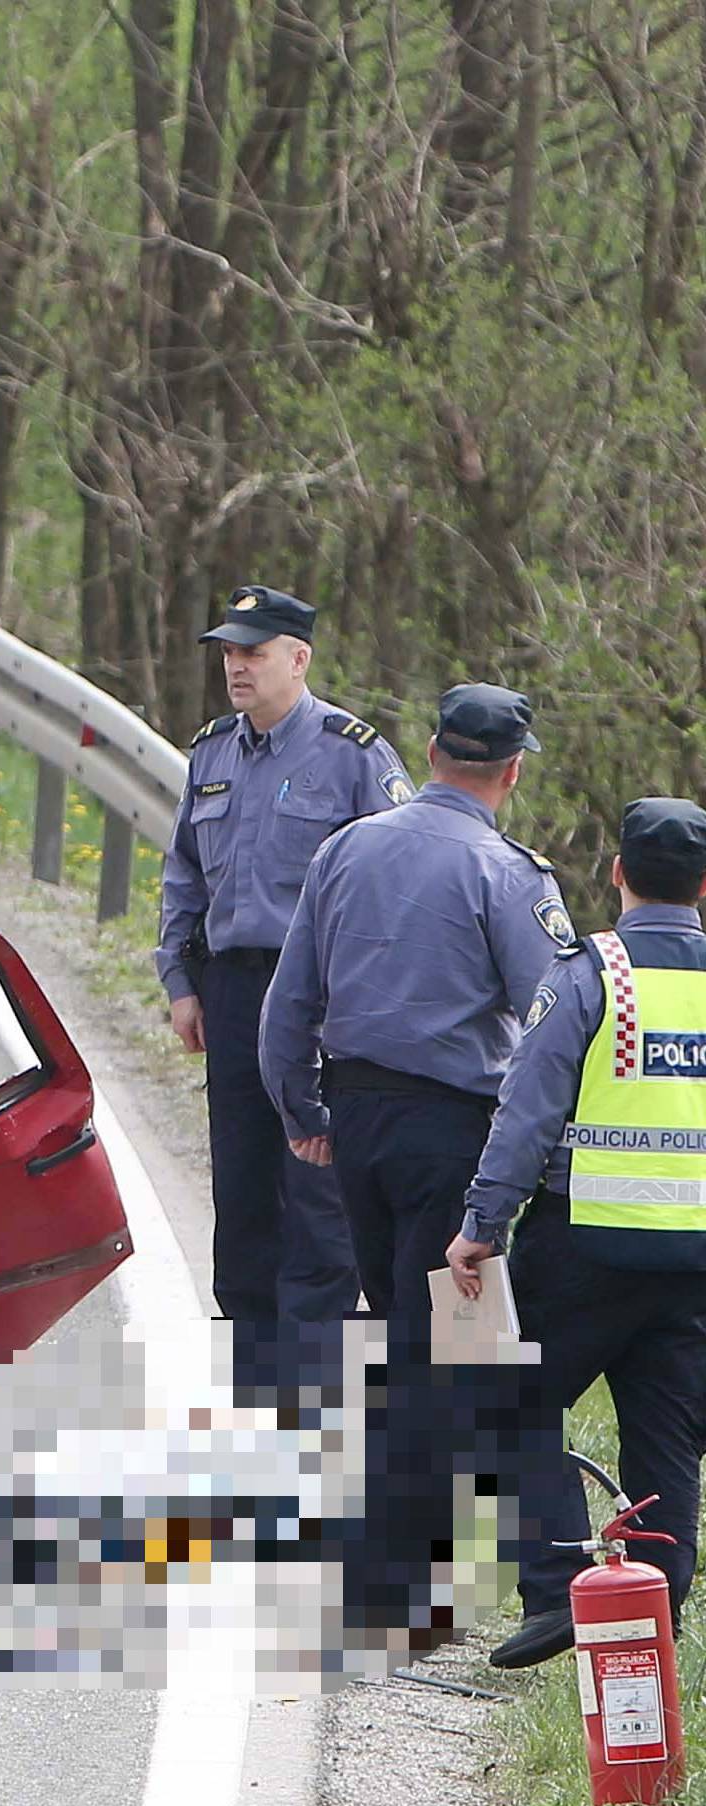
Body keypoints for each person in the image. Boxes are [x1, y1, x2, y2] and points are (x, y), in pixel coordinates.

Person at [448, 798, 706, 1670]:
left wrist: (483, 1222)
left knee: (509, 1396)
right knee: (665, 1437)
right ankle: (652, 1623)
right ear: (705, 886)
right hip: (693, 1260)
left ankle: (561, 1587)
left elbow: (528, 1109)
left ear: (616, 872)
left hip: (584, 1245)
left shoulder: (593, 972)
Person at [259, 683, 572, 1314]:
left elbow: (287, 1004)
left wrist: (303, 1113)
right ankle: (411, 1416)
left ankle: (383, 1414)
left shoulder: (344, 848)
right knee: (447, 1333)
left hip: (355, 1116)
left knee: (387, 1305)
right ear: (513, 771)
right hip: (453, 1128)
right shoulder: (510, 874)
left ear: (431, 751)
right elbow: (553, 1026)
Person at [156, 585, 411, 1320]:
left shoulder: (353, 755)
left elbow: (397, 880)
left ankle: (313, 1348)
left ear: (298, 660)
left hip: (321, 994)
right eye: (230, 652)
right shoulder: (211, 750)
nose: (238, 667)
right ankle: (244, 1331)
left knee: (314, 1173)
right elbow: (184, 872)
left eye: (254, 652)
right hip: (233, 986)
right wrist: (180, 979)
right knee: (240, 1173)